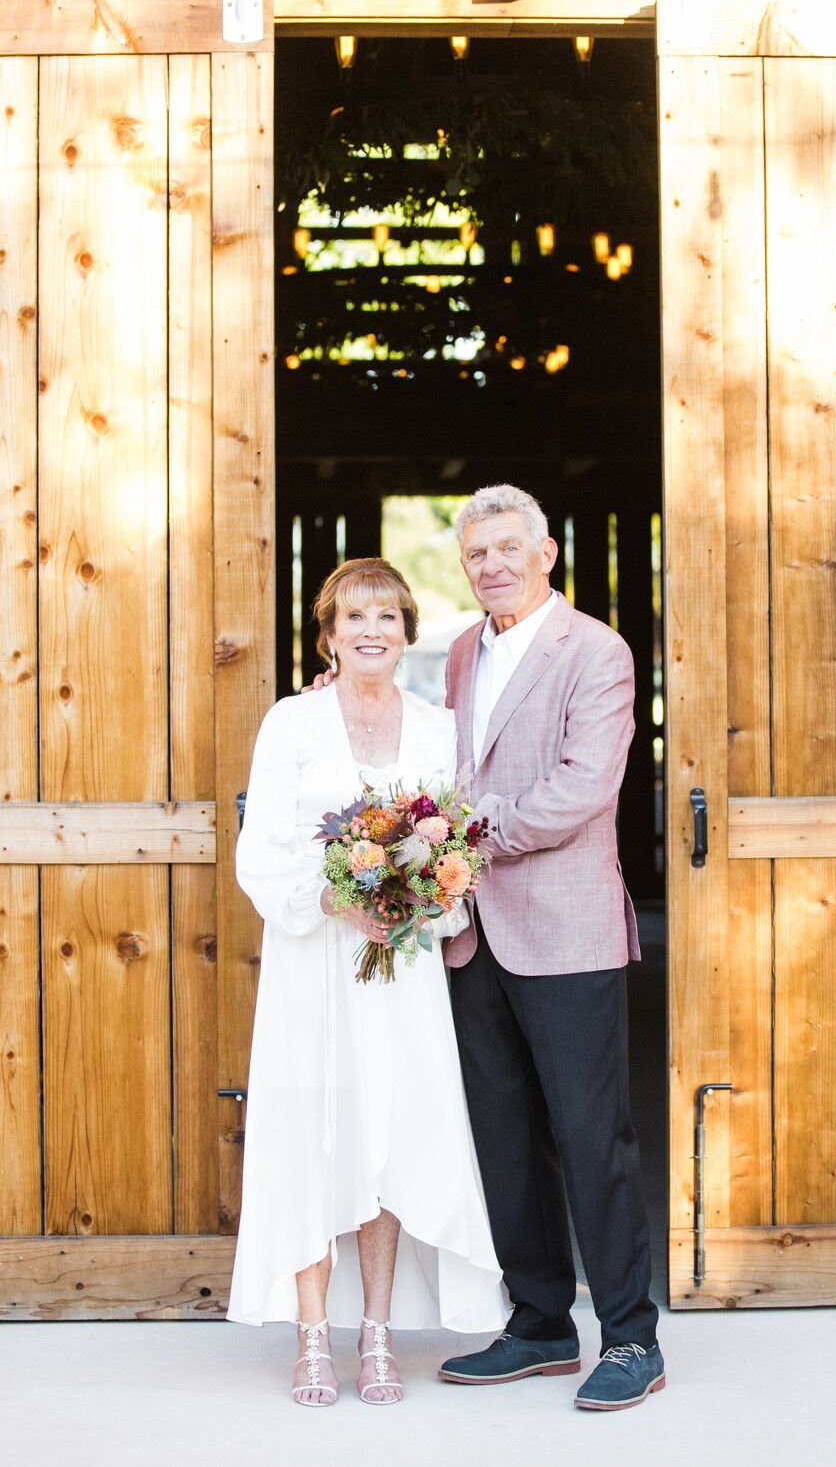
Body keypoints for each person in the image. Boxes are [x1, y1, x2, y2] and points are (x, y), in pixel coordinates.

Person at [227, 557, 506, 1409]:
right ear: (330, 634)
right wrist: (330, 899)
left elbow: (451, 843)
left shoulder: (434, 726)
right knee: (314, 1131)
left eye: (387, 615)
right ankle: (314, 1335)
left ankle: (377, 1332)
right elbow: (262, 849)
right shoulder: (291, 722)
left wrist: (427, 896)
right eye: (355, 617)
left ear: (409, 630)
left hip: (401, 965)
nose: (372, 630)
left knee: (388, 1133)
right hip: (315, 962)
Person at [436, 484, 663, 1412]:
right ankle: (538, 1326)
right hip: (472, 934)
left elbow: (582, 790)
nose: (491, 566)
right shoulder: (457, 652)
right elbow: (437, 761)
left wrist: (470, 837)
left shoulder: (595, 652)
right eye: (476, 554)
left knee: (589, 1134)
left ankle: (630, 1337)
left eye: (505, 549)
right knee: (504, 1137)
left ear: (546, 554)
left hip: (566, 932)